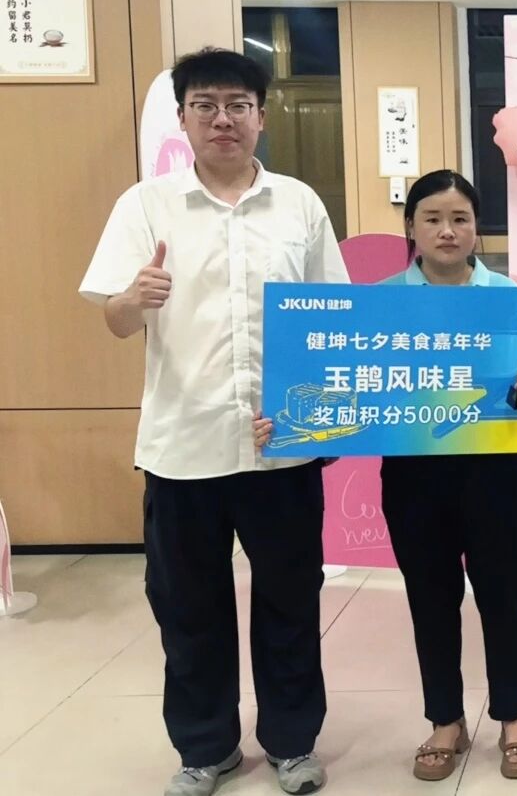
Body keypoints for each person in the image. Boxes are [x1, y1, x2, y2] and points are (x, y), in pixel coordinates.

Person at [79, 48, 347, 796]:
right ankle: (206, 748)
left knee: (290, 602)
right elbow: (115, 320)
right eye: (205, 106)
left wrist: (314, 421)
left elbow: (331, 319)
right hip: (183, 446)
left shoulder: (299, 204)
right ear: (184, 118)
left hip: (280, 448)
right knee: (189, 610)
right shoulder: (146, 205)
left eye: (237, 105)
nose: (222, 119)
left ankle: (292, 742)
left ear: (261, 115)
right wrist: (133, 299)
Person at [259, 170, 517, 782]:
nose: (447, 231)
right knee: (430, 597)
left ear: (476, 228)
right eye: (432, 219)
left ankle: (514, 717)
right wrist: (289, 421)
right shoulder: (379, 304)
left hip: (495, 473)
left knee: (505, 596)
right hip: (415, 478)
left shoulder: (509, 299)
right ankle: (445, 719)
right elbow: (345, 386)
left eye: (460, 219)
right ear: (411, 227)